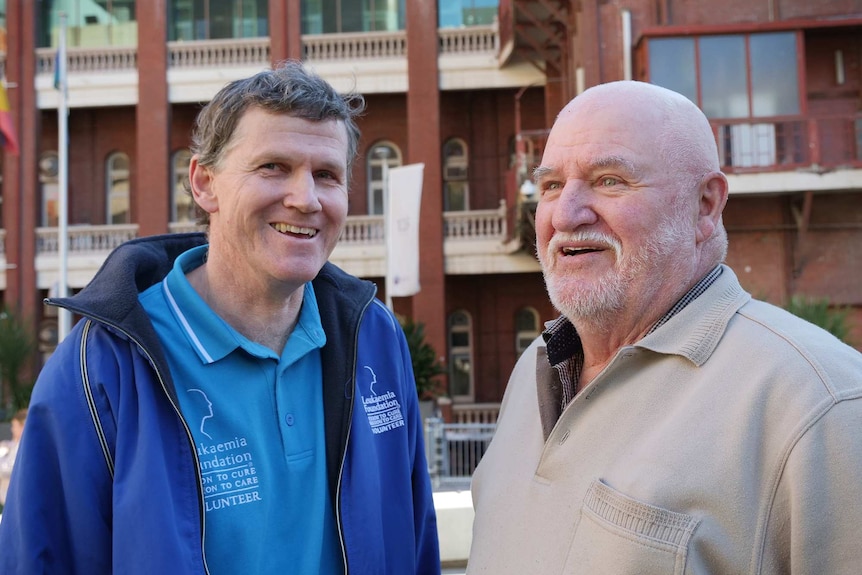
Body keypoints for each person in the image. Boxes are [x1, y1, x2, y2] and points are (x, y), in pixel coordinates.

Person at [0, 60, 440, 574]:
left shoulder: (375, 336)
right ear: (204, 183)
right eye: (272, 167)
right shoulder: (100, 367)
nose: (305, 199)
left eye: (326, 175)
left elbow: (416, 542)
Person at [468, 80, 862, 574]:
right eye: (550, 185)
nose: (565, 214)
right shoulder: (534, 368)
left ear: (705, 205)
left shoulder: (822, 403)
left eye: (609, 180)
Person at [0, 408, 27, 507]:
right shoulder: (13, 445)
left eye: (15, 426)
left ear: (23, 427)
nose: (12, 429)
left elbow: (11, 468)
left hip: (14, 502)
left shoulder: (23, 447)